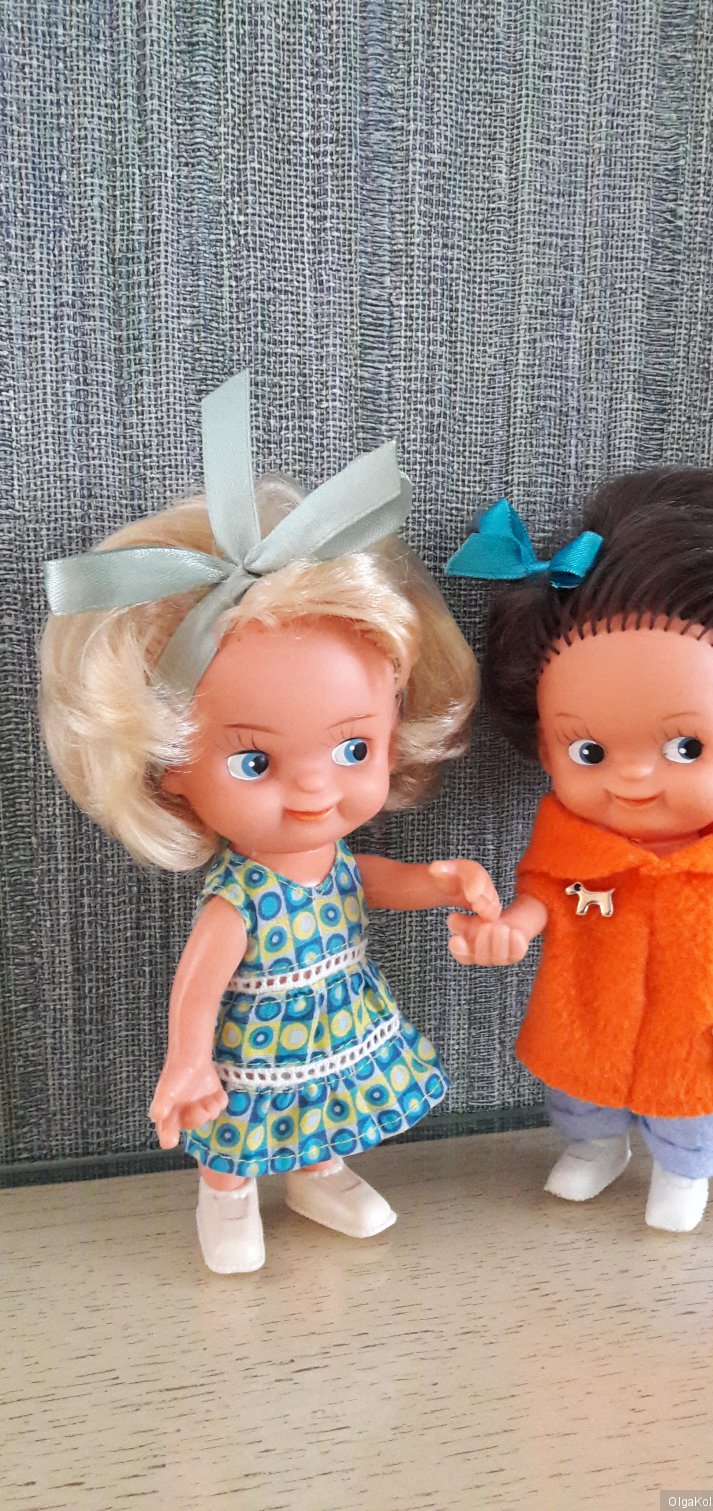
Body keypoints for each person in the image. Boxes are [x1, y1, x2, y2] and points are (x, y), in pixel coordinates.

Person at [40, 372, 498, 1272]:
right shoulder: (240, 895)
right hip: (255, 1046)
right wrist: (186, 1061)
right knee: (240, 1123)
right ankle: (226, 1195)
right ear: (170, 769)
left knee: (326, 1106)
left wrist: (439, 881)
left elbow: (365, 882)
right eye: (254, 762)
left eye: (354, 748)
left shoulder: (333, 858)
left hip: (336, 1021)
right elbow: (200, 984)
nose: (314, 789)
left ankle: (318, 1172)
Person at [444, 470, 713, 1231]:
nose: (634, 776)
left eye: (685, 746)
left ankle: (684, 1172)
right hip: (588, 1006)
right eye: (588, 750)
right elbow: (543, 898)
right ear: (546, 748)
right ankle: (595, 1148)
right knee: (579, 1089)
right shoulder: (565, 847)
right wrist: (508, 928)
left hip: (693, 1021)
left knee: (690, 1099)